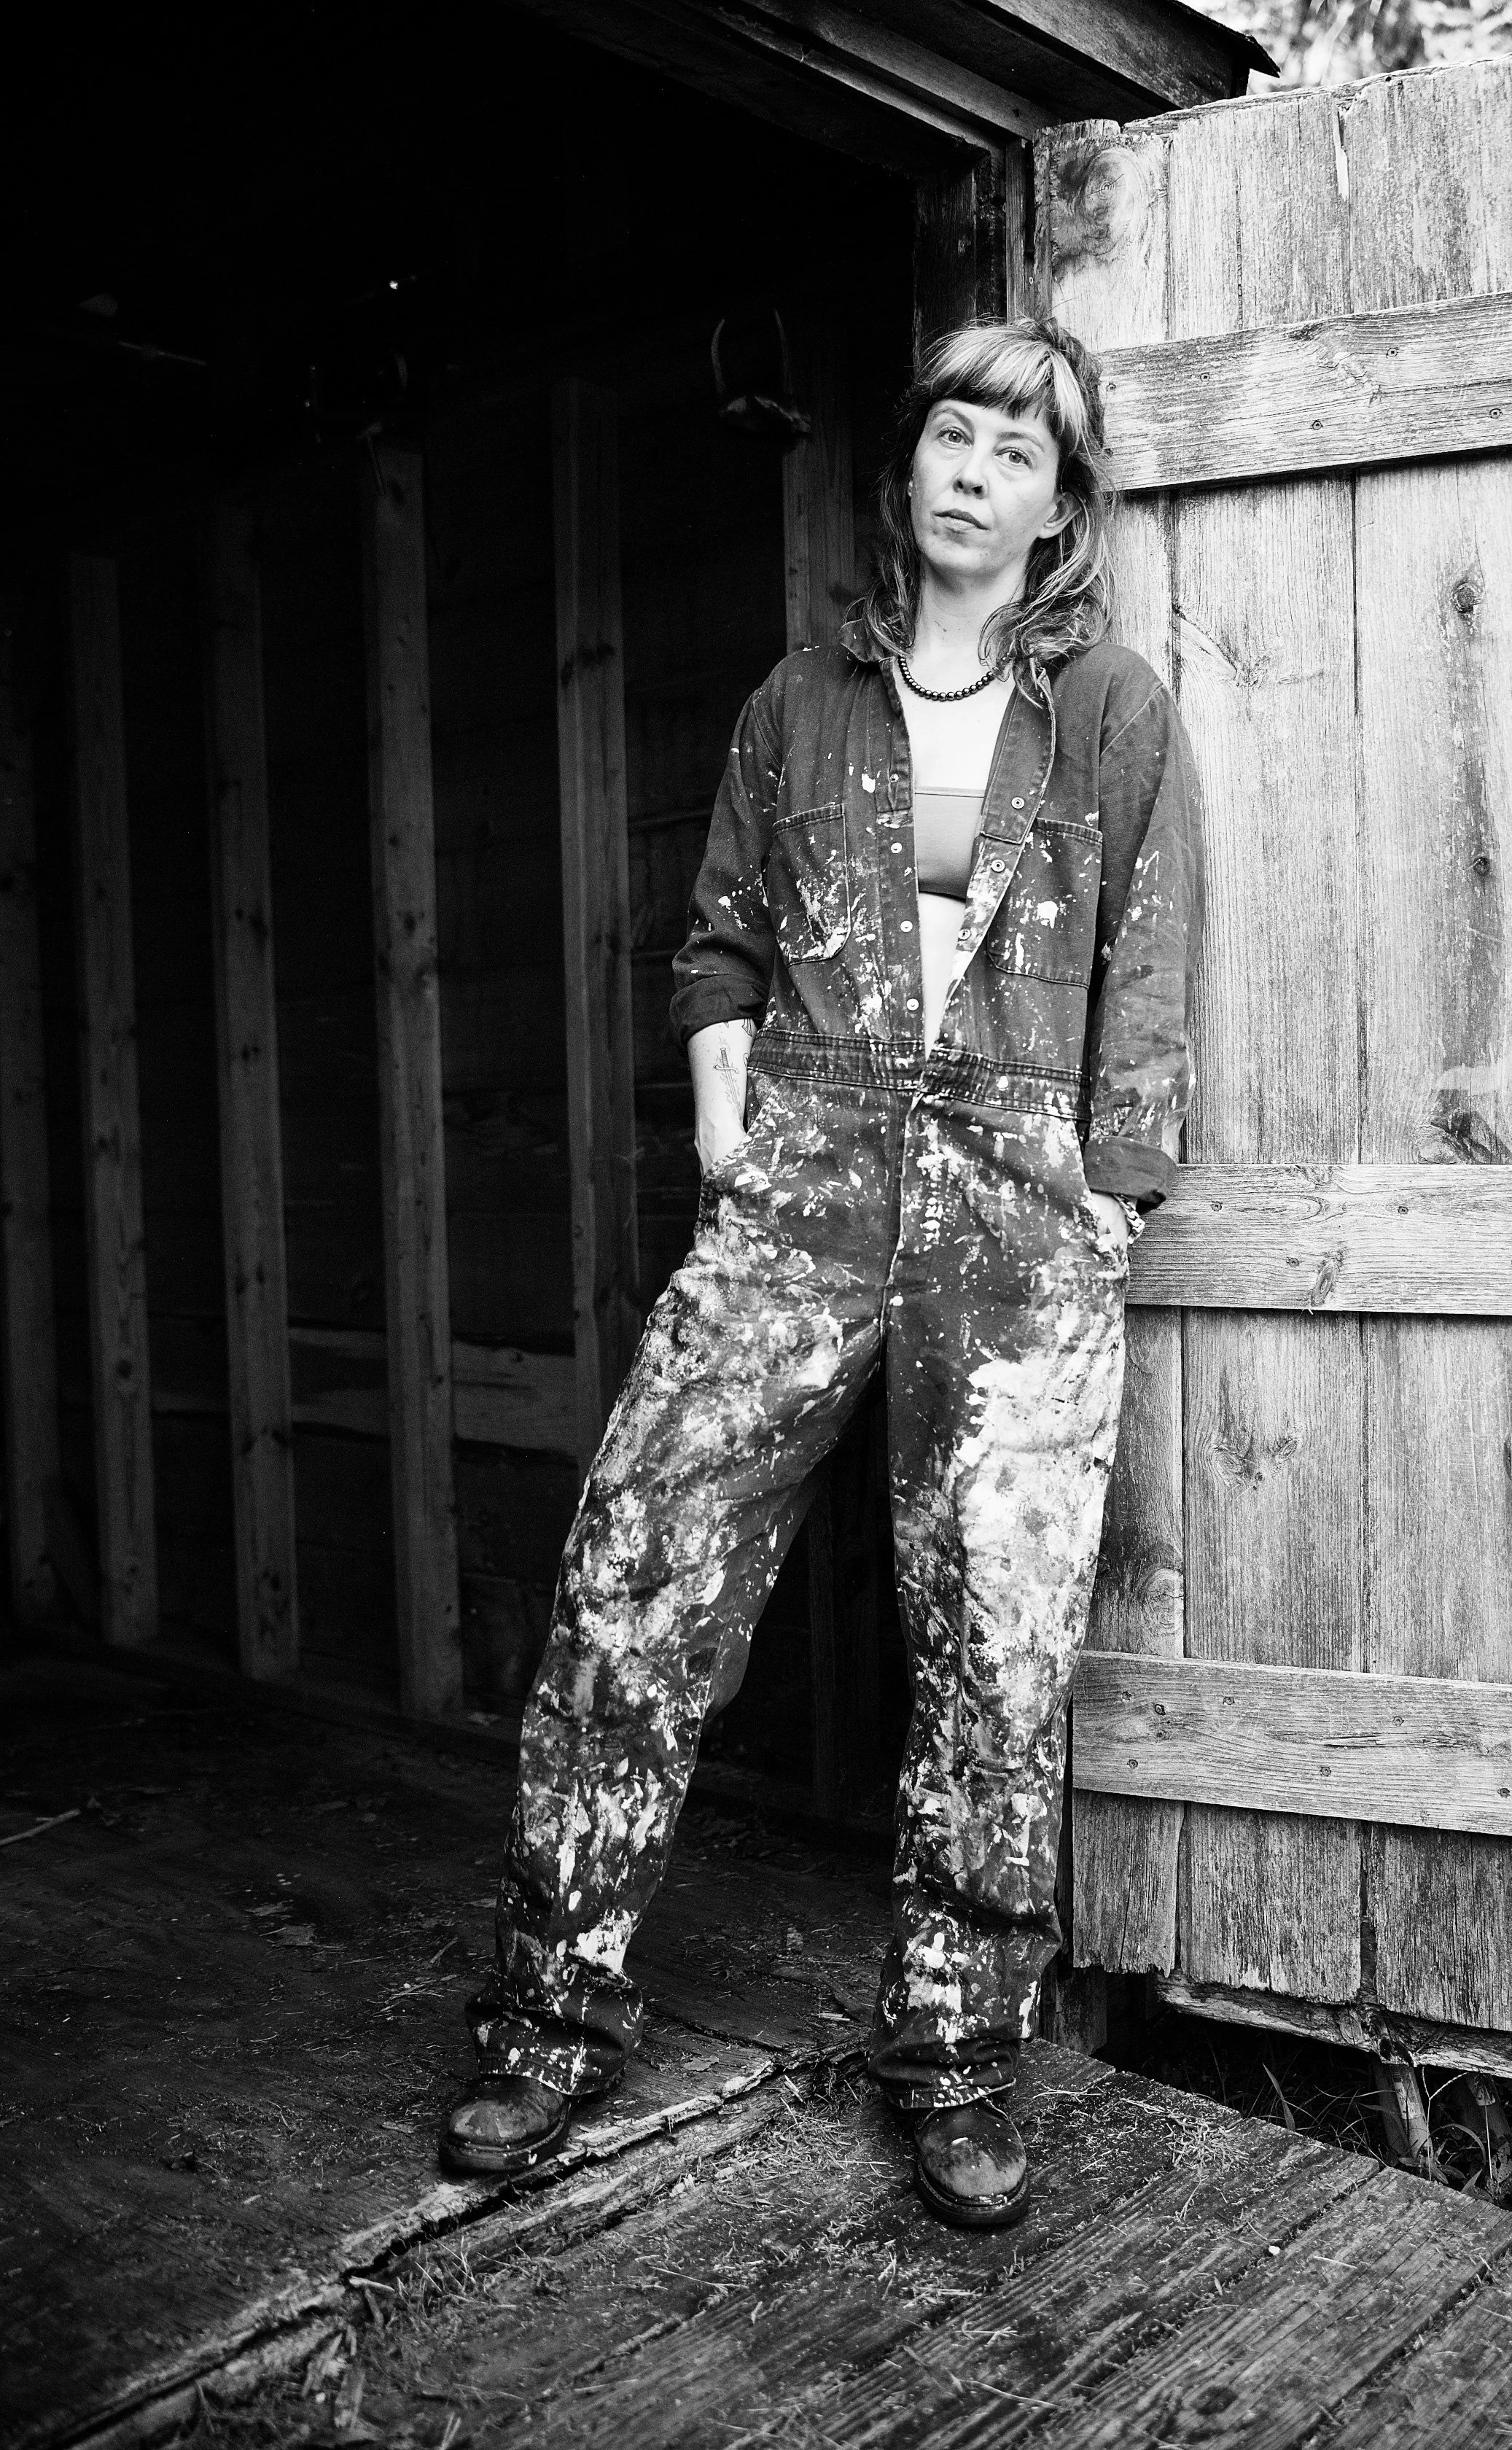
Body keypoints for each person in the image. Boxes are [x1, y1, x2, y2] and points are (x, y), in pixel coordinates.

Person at [442, 314, 1201, 2231]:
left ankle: (953, 2053)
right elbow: (715, 943)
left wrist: (1108, 1201)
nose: (975, 471)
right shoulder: (799, 706)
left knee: (1001, 1648)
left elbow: (1158, 957)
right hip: (799, 1195)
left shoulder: (1111, 707)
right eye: (954, 434)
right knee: (638, 1569)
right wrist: (727, 1135)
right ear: (912, 463)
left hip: (1021, 1229)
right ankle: (550, 2011)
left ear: (1062, 506)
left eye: (1019, 453)